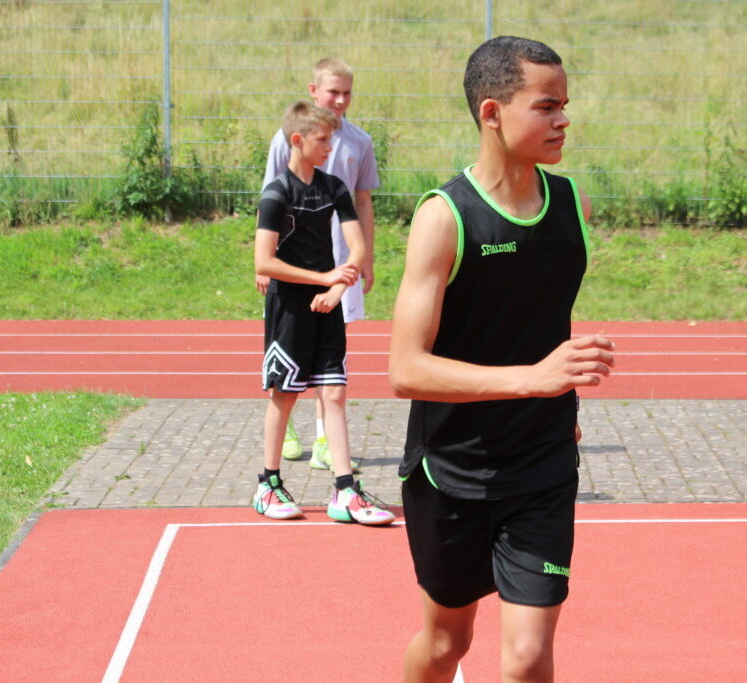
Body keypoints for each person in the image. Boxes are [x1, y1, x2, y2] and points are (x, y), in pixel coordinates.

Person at [388, 36, 616, 682]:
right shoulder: (445, 218)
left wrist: (553, 393)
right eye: (546, 106)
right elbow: (405, 369)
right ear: (491, 113)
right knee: (445, 644)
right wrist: (533, 380)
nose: (563, 119)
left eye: (565, 105)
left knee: (527, 656)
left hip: (542, 466)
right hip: (452, 471)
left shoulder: (572, 206)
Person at [253, 100, 394, 526]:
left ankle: (345, 491)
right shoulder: (276, 194)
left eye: (331, 138)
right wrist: (322, 279)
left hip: (327, 305)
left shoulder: (334, 187)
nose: (330, 146)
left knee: (333, 393)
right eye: (322, 139)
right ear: (298, 140)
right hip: (289, 309)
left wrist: (336, 289)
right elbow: (264, 262)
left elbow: (358, 248)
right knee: (284, 395)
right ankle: (268, 485)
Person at [259, 57, 380, 471]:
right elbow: (268, 211)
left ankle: (329, 449)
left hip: (337, 273)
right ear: (314, 91)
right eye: (334, 92)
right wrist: (265, 266)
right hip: (294, 280)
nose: (341, 99)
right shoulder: (286, 151)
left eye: (348, 92)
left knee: (333, 376)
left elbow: (362, 202)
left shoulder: (358, 145)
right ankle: (280, 446)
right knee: (288, 376)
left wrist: (358, 264)